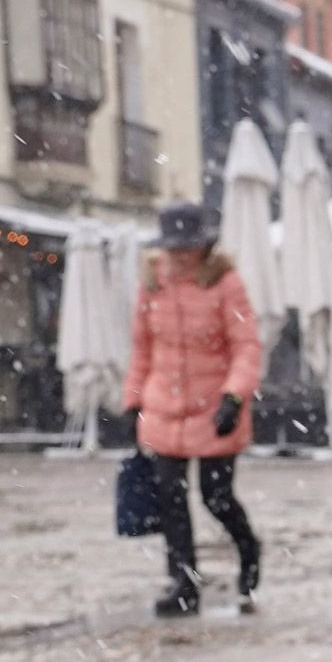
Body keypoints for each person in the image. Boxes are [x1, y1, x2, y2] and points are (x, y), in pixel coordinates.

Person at [123, 199, 265, 618]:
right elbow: (142, 349)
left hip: (214, 410)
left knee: (216, 498)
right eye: (173, 248)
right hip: (164, 408)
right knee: (170, 499)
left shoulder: (226, 284)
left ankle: (248, 549)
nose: (180, 256)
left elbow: (246, 346)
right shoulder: (152, 286)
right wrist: (133, 400)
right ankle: (183, 584)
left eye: (187, 248)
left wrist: (235, 396)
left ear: (204, 247)